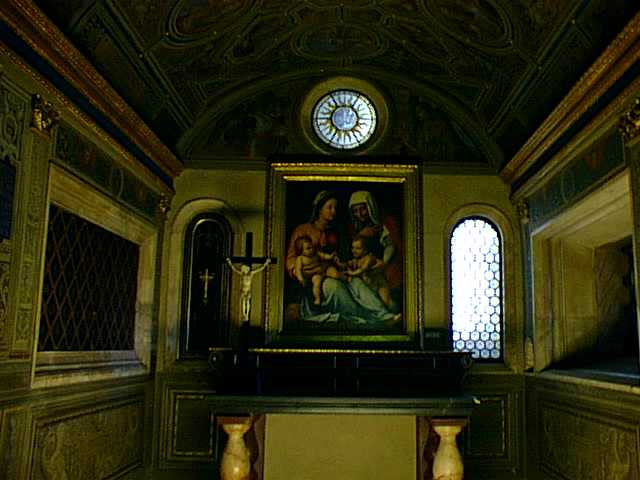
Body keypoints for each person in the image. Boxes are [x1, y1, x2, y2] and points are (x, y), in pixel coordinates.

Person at [285, 190, 399, 327]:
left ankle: (384, 315)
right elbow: (291, 260)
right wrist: (304, 271)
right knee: (335, 287)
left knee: (356, 282)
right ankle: (367, 317)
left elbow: (344, 256)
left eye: (335, 208)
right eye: (329, 207)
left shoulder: (337, 232)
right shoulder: (302, 230)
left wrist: (345, 265)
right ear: (319, 209)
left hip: (335, 272)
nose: (334, 211)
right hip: (314, 281)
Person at [348, 190, 403, 310]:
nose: (359, 214)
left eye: (363, 209)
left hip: (378, 267)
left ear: (370, 207)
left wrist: (384, 261)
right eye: (355, 211)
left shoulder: (383, 224)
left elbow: (390, 245)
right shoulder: (354, 228)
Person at [293, 235, 345, 305]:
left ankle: (343, 277)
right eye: (308, 248)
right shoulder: (300, 259)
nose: (311, 249)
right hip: (315, 275)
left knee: (334, 273)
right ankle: (317, 298)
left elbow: (324, 256)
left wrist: (330, 256)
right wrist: (301, 279)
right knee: (316, 284)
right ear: (301, 250)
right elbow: (298, 270)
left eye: (312, 247)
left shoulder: (316, 253)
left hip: (323, 269)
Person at [345, 235, 392, 308]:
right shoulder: (356, 260)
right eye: (352, 248)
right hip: (369, 284)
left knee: (387, 303)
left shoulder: (369, 258)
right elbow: (346, 264)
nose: (354, 251)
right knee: (373, 302)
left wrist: (351, 273)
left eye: (358, 248)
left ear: (365, 250)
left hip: (378, 283)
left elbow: (362, 270)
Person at [226, 257, 271, 322]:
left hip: (248, 290)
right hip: (243, 290)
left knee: (247, 302)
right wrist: (229, 262)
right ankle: (244, 314)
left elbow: (259, 269)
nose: (243, 270)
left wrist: (266, 263)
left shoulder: (251, 274)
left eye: (244, 269)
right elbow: (234, 269)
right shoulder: (242, 274)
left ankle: (246, 315)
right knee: (244, 302)